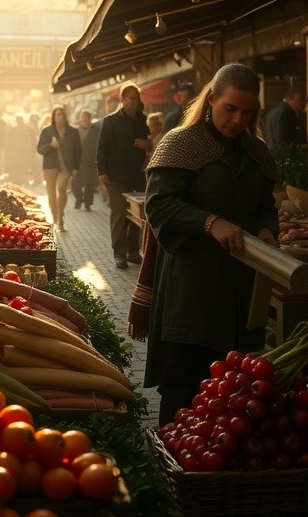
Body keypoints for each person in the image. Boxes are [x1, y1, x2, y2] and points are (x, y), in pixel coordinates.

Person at [144, 63, 279, 425]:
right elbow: (158, 205)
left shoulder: (256, 153)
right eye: (230, 108)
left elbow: (266, 205)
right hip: (191, 292)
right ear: (211, 100)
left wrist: (268, 229)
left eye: (248, 111)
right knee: (183, 388)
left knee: (234, 389)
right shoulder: (180, 143)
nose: (238, 119)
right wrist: (209, 222)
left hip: (242, 292)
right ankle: (173, 469)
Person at [97, 82, 149, 269]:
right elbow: (102, 148)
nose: (135, 102)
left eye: (137, 98)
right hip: (116, 177)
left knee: (136, 215)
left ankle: (133, 251)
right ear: (123, 100)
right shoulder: (110, 121)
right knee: (119, 214)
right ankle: (119, 253)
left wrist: (147, 145)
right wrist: (102, 171)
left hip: (137, 176)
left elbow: (153, 143)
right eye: (131, 98)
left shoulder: (143, 120)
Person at [37, 106, 81, 231]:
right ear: (53, 116)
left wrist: (75, 167)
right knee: (51, 194)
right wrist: (51, 145)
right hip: (50, 167)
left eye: (61, 114)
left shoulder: (73, 132)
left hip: (66, 167)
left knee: (61, 189)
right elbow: (39, 149)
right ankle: (55, 217)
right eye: (56, 114)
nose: (59, 117)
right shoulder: (47, 131)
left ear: (65, 116)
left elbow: (78, 151)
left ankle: (60, 216)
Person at [263, 83, 307, 148]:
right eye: (300, 99)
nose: (304, 102)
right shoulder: (288, 113)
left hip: (272, 153)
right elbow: (284, 139)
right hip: (284, 155)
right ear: (289, 99)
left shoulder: (271, 113)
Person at [72, 109, 100, 211]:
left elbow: (99, 145)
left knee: (89, 183)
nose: (84, 119)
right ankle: (79, 199)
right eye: (83, 117)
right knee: (75, 182)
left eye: (86, 117)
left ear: (90, 118)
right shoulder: (75, 131)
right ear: (80, 118)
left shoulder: (96, 130)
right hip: (77, 160)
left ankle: (88, 203)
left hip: (91, 160)